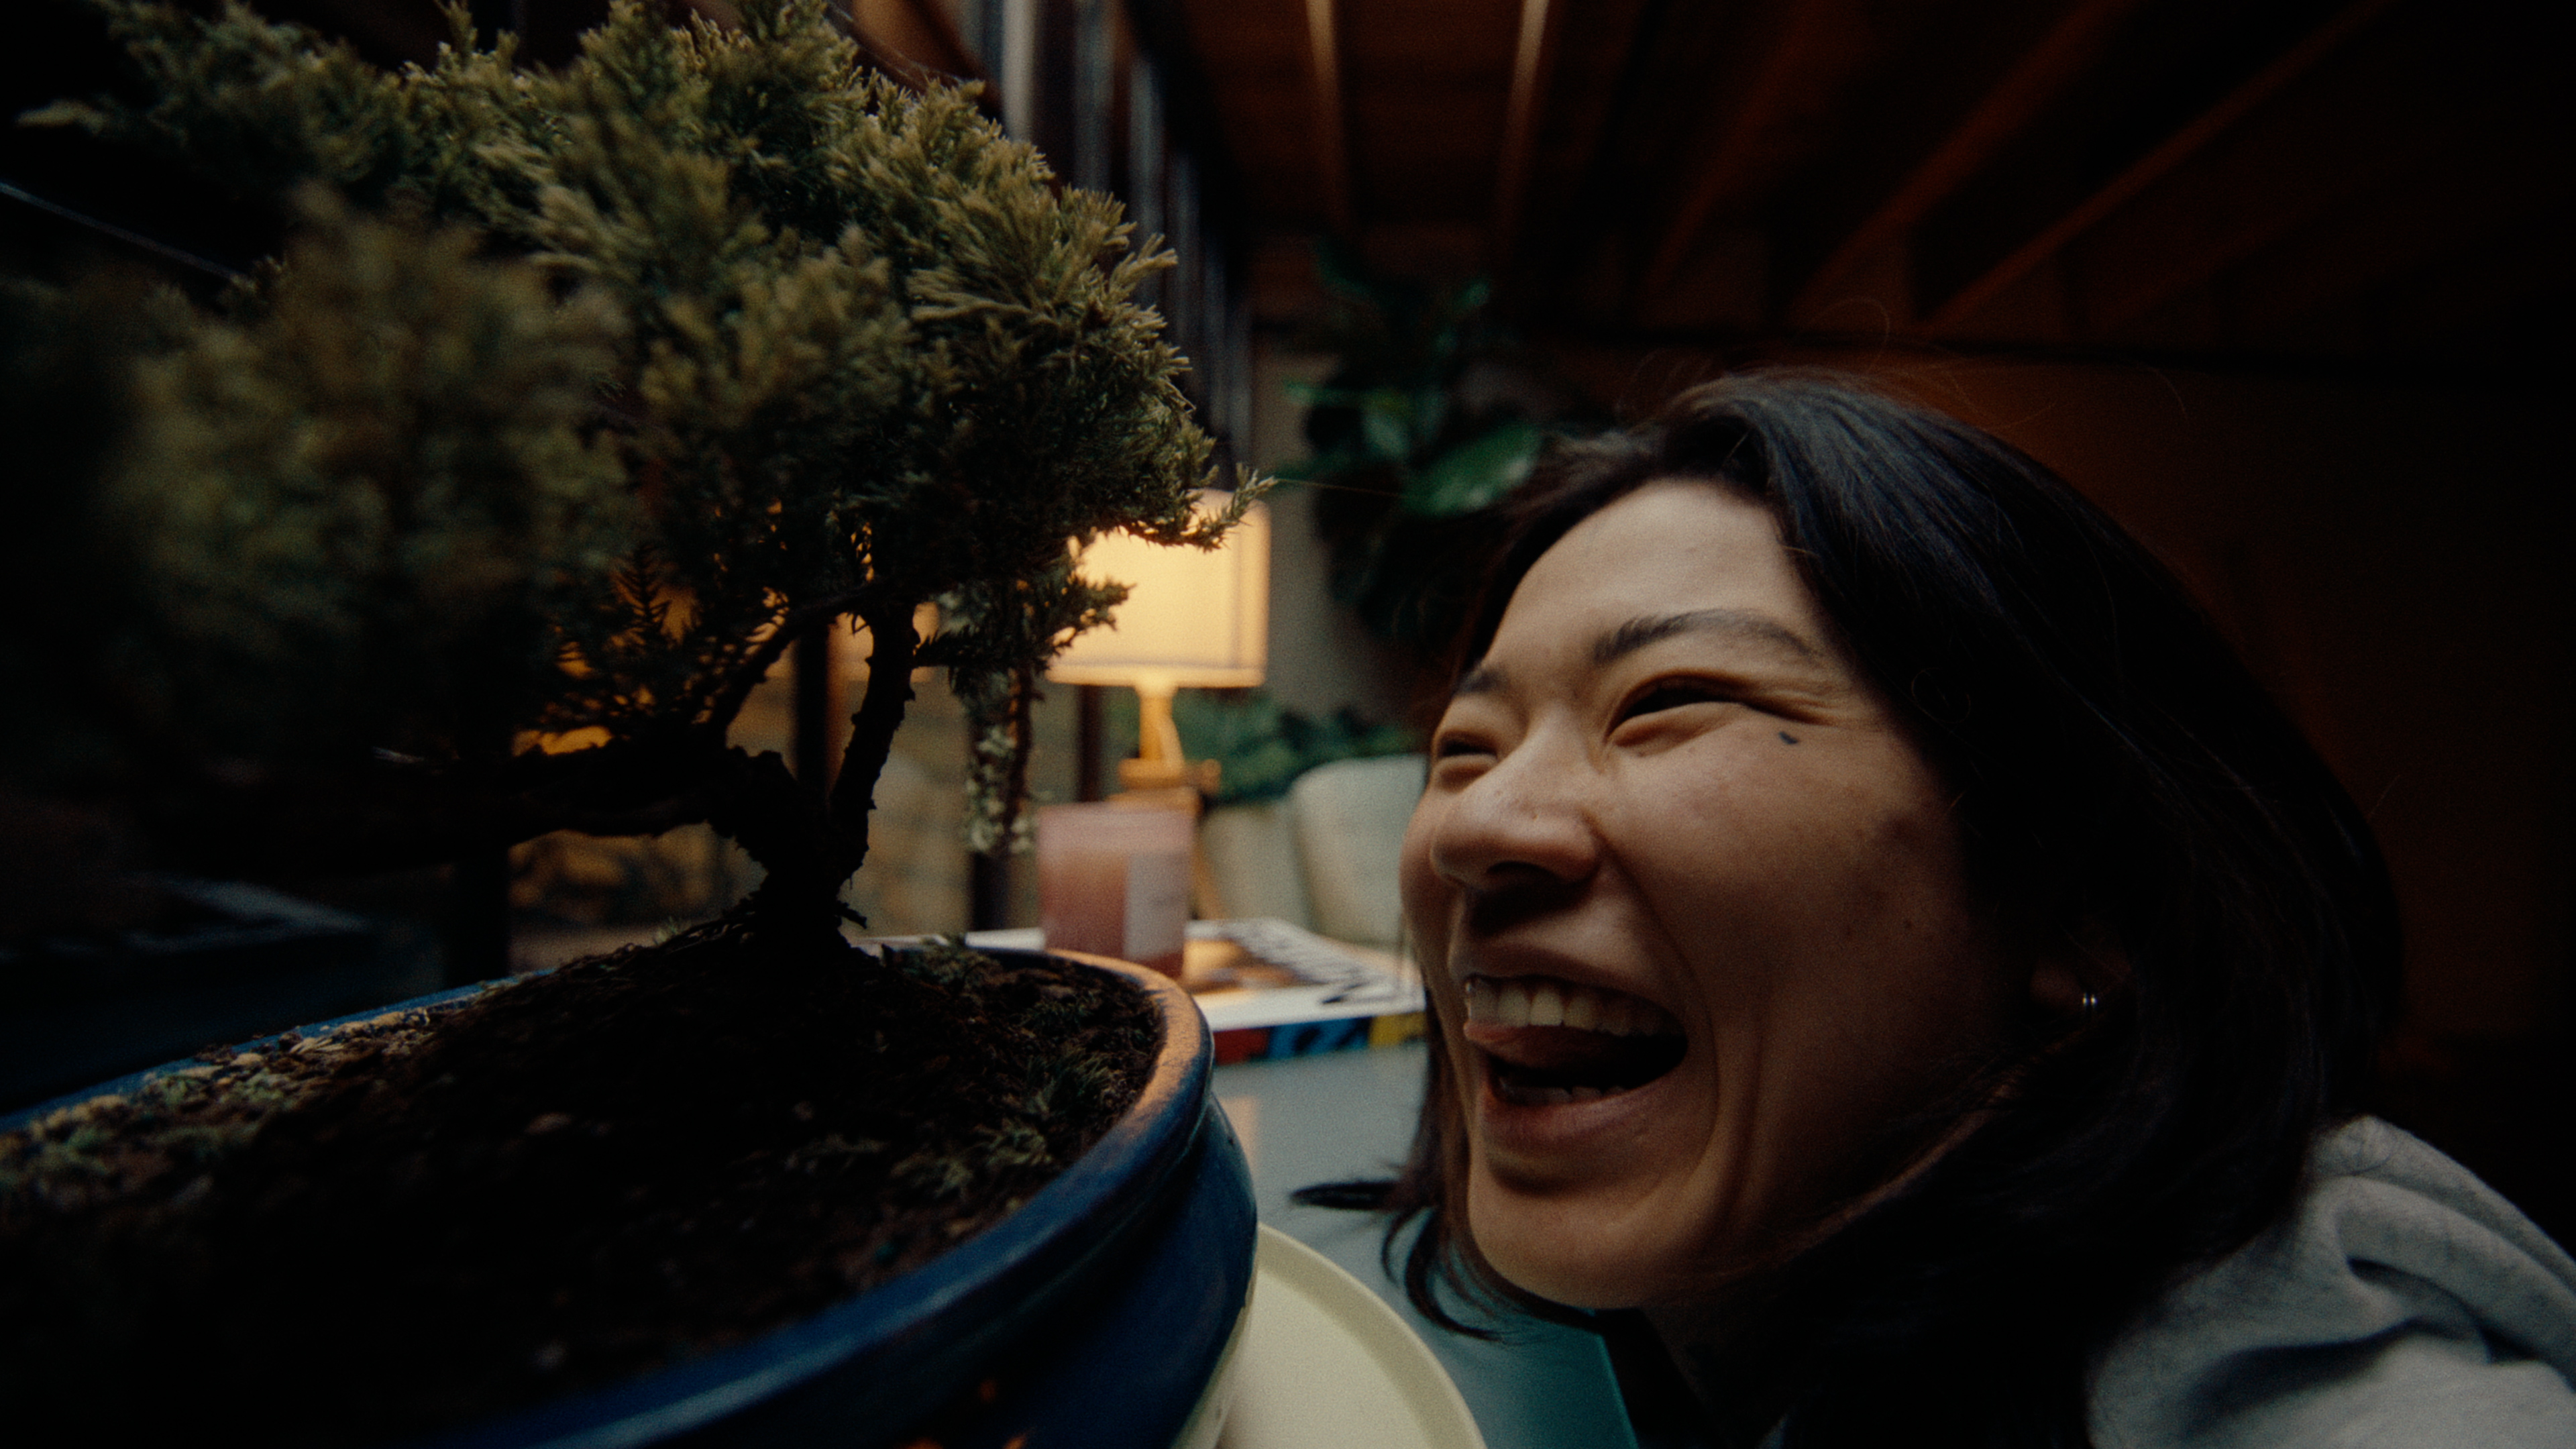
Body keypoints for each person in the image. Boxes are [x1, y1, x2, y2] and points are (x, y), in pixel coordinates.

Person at [1328, 372, 2576, 1446]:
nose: (1477, 829)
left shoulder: (2314, 1376)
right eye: (1467, 749)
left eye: (1667, 703)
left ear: (2080, 898)